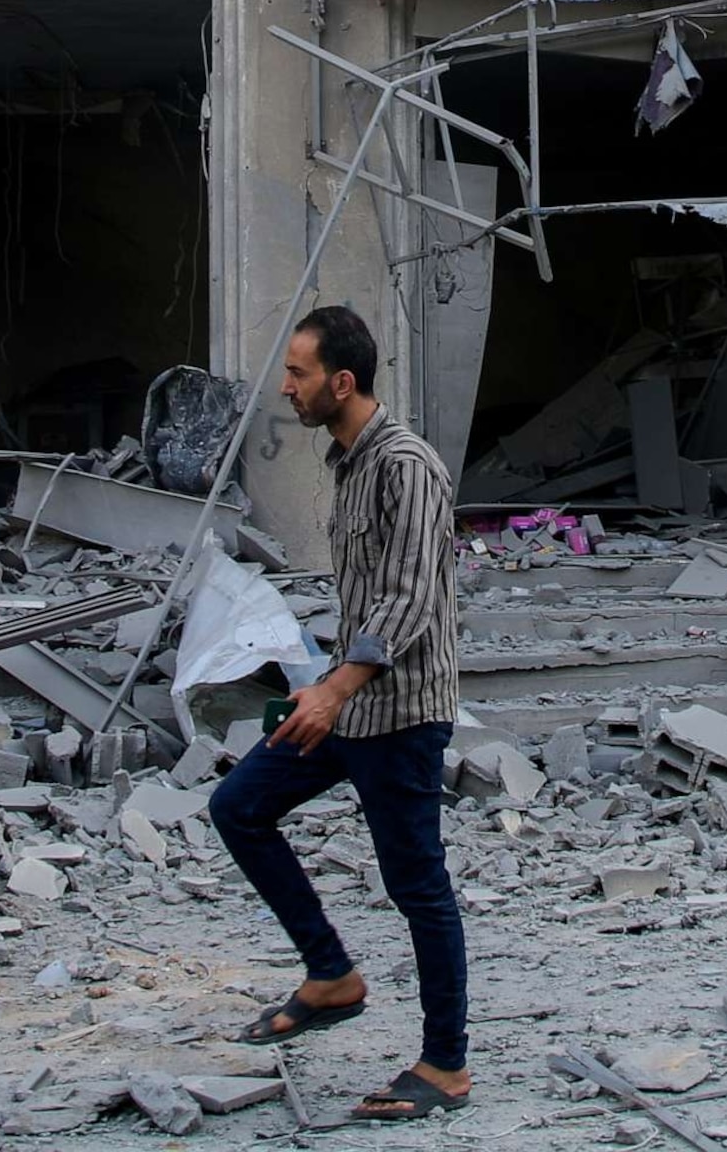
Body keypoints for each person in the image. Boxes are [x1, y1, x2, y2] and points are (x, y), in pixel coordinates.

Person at [208, 304, 470, 1123]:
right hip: (348, 702)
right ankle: (331, 976)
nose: (286, 387)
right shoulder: (347, 460)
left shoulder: (407, 466)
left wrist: (333, 690)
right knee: (239, 806)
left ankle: (445, 1066)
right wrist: (318, 684)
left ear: (341, 381)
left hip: (398, 713)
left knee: (417, 884)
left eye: (298, 373)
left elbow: (409, 597)